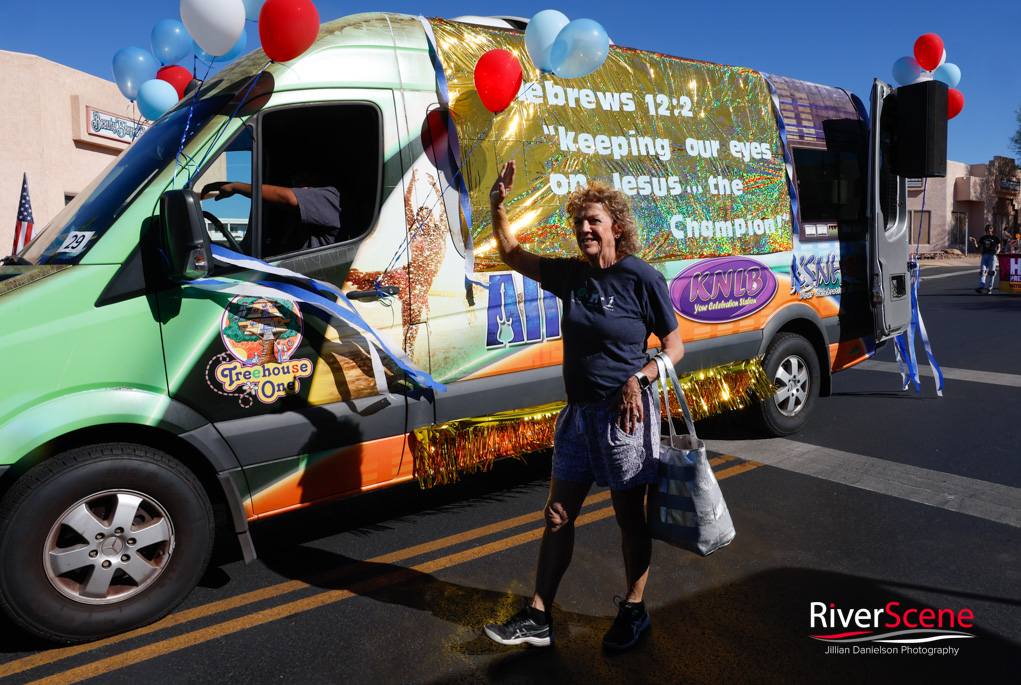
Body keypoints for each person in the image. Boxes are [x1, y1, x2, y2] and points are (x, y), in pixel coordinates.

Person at [482, 161, 684, 651]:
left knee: (628, 518)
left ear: (617, 227)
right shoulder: (572, 275)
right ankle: (538, 617)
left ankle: (634, 609)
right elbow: (511, 253)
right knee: (557, 514)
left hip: (625, 417)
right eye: (579, 222)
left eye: (594, 220)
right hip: (577, 417)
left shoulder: (642, 278)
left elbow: (675, 347)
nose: (585, 228)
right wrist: (497, 206)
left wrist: (639, 378)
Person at [201, 174, 342, 254]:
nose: (298, 179)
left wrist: (236, 187)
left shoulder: (329, 197)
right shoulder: (296, 216)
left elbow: (287, 198)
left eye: (307, 174)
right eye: (295, 176)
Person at [969, 224, 1000, 293]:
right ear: (986, 229)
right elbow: (978, 248)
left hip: (992, 256)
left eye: (990, 228)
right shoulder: (983, 238)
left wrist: (997, 251)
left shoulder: (995, 238)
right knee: (982, 271)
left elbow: (999, 247)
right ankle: (981, 287)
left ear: (992, 229)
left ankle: (990, 288)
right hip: (985, 256)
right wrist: (975, 242)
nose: (989, 229)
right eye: (988, 228)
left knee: (991, 272)